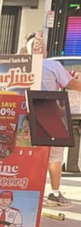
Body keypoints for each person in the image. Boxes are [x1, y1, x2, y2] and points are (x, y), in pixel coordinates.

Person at [26, 36, 81, 208]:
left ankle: (28, 190)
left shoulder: (21, 66)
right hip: (50, 113)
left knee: (28, 154)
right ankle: (54, 194)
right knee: (55, 156)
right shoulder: (52, 65)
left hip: (24, 114)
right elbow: (71, 84)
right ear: (44, 50)